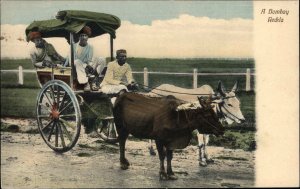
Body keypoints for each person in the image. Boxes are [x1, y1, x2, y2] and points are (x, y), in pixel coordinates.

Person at [64, 26, 106, 91]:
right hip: (76, 68)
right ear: (79, 37)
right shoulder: (73, 47)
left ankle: (94, 79)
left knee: (101, 59)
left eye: (85, 35)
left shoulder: (90, 47)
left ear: (88, 37)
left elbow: (89, 60)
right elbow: (71, 61)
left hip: (86, 67)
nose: (83, 37)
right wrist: (86, 66)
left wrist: (89, 65)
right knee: (77, 61)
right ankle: (85, 83)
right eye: (82, 35)